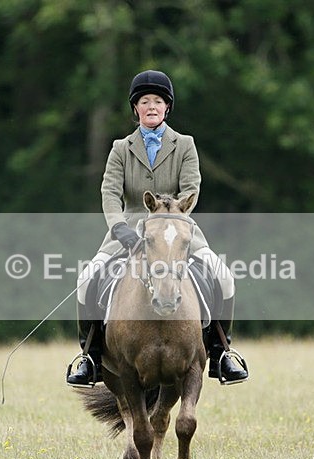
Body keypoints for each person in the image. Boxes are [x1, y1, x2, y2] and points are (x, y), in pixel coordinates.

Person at [66, 69, 248, 387]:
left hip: (177, 230)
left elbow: (191, 188)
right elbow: (110, 193)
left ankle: (222, 352)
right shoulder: (121, 148)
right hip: (127, 233)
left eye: (158, 101)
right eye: (145, 101)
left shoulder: (185, 145)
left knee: (224, 276)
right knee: (86, 278)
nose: (152, 106)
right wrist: (119, 228)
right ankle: (90, 357)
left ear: (167, 107)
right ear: (135, 108)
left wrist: (172, 217)